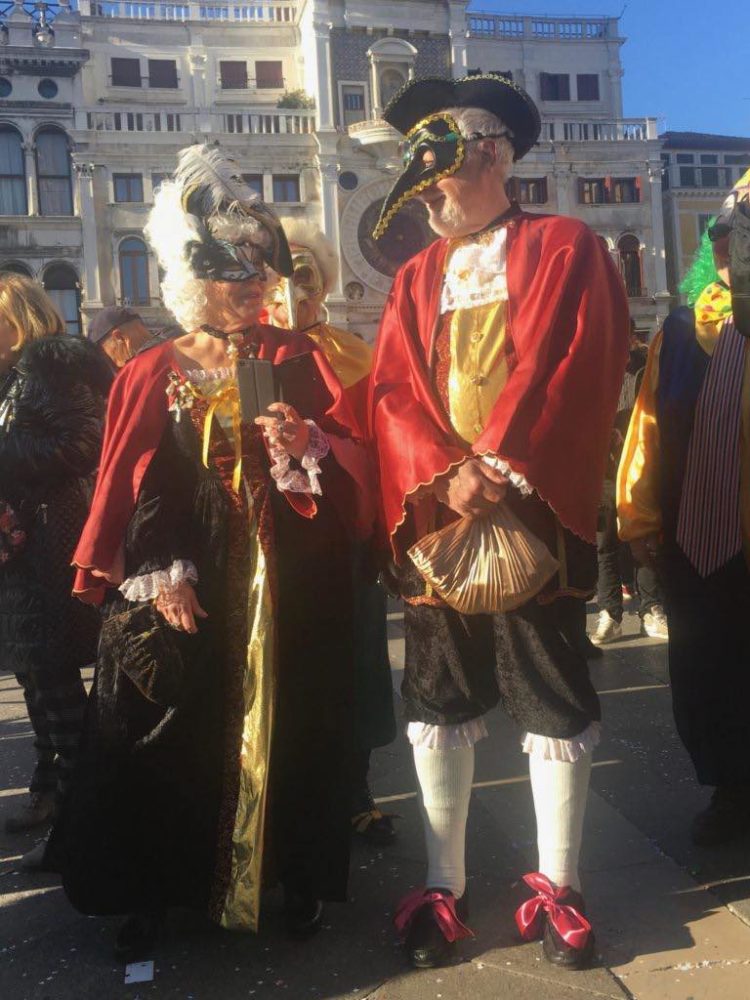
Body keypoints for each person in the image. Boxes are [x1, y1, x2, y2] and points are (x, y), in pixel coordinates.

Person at [53, 143, 371, 960]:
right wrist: (161, 570)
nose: (262, 288)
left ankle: (291, 875)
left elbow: (350, 448)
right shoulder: (153, 368)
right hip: (191, 575)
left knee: (298, 720)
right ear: (200, 280)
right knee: (161, 727)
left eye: (265, 276)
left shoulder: (297, 357)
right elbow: (133, 479)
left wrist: (307, 443)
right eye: (245, 278)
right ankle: (154, 889)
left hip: (293, 575)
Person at [368, 74, 629, 970]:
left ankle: (562, 882)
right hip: (442, 518)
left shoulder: (566, 247)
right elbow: (395, 388)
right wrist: (443, 476)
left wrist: (499, 463)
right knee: (437, 694)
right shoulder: (414, 276)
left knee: (549, 690)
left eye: (434, 178)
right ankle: (446, 882)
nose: (425, 198)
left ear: (488, 157)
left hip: (531, 511)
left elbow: (573, 361)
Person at [618, 169, 750, 847]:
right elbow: (647, 428)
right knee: (709, 666)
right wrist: (638, 520)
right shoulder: (679, 327)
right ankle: (730, 789)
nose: (737, 250)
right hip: (702, 534)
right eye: (730, 237)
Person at [265, 222, 398, 845]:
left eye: (304, 277)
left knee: (354, 665)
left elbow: (376, 446)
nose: (294, 292)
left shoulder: (351, 353)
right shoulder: (248, 355)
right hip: (269, 544)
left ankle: (355, 791)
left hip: (342, 538)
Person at [0, 275, 112, 861]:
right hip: (19, 547)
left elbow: (85, 445)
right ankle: (47, 792)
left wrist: (4, 453)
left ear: (19, 320)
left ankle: (75, 826)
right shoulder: (9, 379)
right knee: (33, 680)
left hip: (52, 539)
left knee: (57, 679)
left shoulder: (52, 371)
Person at [591, 321, 668, 645]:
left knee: (642, 540)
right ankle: (611, 614)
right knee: (605, 545)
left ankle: (652, 609)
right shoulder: (591, 378)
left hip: (637, 470)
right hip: (603, 473)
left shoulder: (643, 372)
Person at [87, 305, 152, 371]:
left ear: (119, 337)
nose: (108, 365)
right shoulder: (160, 355)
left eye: (103, 353)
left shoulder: (138, 375)